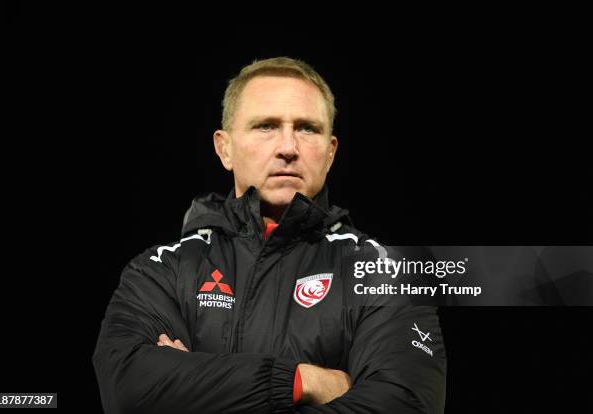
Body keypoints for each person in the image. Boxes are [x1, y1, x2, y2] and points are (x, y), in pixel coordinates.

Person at [93, 57, 447, 413]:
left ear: (330, 153)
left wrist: (197, 389)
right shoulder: (162, 270)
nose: (288, 148)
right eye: (266, 126)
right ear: (224, 148)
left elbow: (404, 404)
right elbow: (127, 389)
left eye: (307, 128)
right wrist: (302, 381)